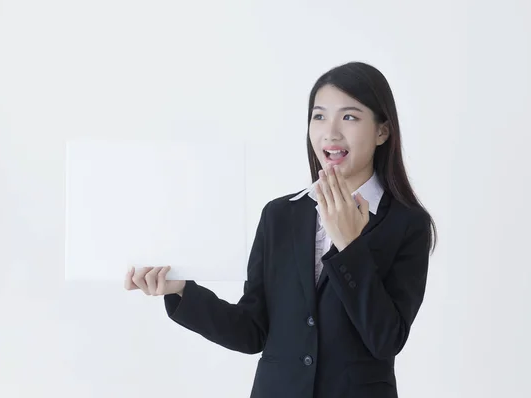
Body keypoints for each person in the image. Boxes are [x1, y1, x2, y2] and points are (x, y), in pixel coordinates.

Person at [124, 61, 437, 398]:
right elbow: (252, 330)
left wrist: (349, 246)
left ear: (382, 131)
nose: (330, 132)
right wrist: (181, 290)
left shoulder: (407, 223)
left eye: (349, 117)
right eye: (319, 116)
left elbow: (386, 339)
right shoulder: (279, 215)